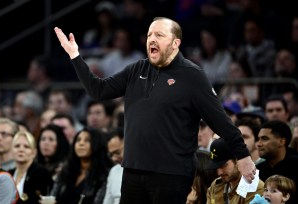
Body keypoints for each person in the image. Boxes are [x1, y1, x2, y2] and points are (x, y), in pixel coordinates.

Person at [54, 16, 256, 204]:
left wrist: (243, 156)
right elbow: (98, 90)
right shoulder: (136, 69)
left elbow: (219, 120)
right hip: (133, 169)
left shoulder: (192, 76)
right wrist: (75, 55)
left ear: (175, 43)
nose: (152, 39)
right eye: (150, 35)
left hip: (171, 174)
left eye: (159, 35)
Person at [50, 128, 112, 204]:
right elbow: (52, 196)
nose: (81, 143)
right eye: (78, 140)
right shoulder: (66, 170)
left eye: (87, 140)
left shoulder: (104, 175)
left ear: (97, 144)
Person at [206, 138, 264, 203]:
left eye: (223, 165)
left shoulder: (254, 187)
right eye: (217, 167)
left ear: (238, 160)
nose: (219, 172)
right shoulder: (216, 185)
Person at [256, 120, 298, 204]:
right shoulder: (257, 170)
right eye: (258, 139)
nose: (259, 144)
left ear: (282, 141)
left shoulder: (296, 166)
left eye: (264, 139)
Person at [9, 131, 53, 204]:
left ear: (34, 152)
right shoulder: (8, 173)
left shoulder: (41, 173)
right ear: (11, 151)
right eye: (17, 146)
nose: (21, 150)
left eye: (26, 147)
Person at [103, 127, 124, 204]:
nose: (114, 159)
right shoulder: (114, 171)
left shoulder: (145, 169)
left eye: (117, 152)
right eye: (111, 155)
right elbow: (108, 201)